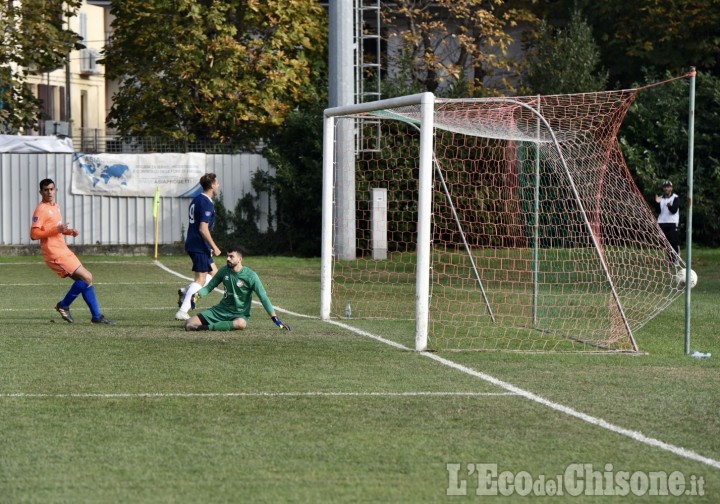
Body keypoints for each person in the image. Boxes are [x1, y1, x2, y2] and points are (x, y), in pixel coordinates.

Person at [31, 178, 115, 324]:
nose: (49, 192)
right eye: (46, 190)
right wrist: (56, 230)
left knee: (86, 280)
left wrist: (68, 231)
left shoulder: (56, 206)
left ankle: (96, 317)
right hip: (54, 253)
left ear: (56, 190)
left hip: (63, 249)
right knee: (87, 278)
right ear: (41, 192)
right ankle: (63, 305)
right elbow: (34, 234)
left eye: (51, 189)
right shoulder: (41, 209)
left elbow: (55, 230)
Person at [184, 246, 291, 332]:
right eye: (227, 256)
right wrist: (197, 295)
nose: (228, 259)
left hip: (239, 315)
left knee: (241, 324)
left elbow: (263, 297)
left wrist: (275, 319)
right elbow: (209, 287)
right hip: (220, 311)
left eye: (231, 256)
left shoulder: (251, 276)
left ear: (240, 259)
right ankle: (215, 324)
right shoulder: (224, 271)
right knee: (189, 323)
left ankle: (206, 328)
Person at [175, 173, 222, 321]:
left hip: (196, 243)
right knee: (200, 280)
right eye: (217, 183)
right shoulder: (205, 202)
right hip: (199, 245)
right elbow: (203, 228)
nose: (219, 185)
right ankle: (183, 311)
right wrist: (214, 246)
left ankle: (186, 291)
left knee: (215, 274)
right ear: (212, 185)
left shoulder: (197, 199)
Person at [655, 180, 680, 264]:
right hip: (662, 222)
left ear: (671, 188)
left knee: (673, 241)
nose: (666, 188)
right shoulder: (660, 198)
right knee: (666, 243)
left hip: (672, 222)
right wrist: (657, 203)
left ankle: (675, 258)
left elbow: (674, 210)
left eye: (668, 187)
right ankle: (671, 259)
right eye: (665, 187)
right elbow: (658, 211)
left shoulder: (675, 197)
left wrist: (669, 206)